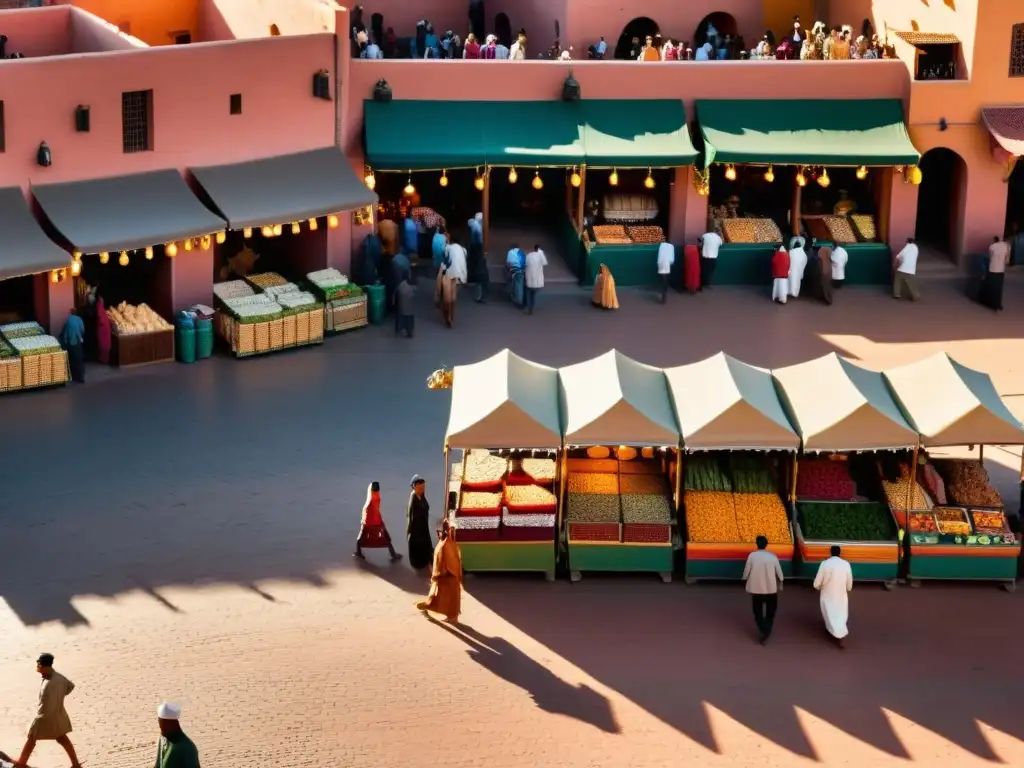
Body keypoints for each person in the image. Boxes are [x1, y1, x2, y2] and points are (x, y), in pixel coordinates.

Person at [16, 653, 81, 768]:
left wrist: (55, 699)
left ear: (44, 666)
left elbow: (46, 703)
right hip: (57, 714)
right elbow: (70, 686)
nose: (37, 666)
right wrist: (59, 696)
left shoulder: (50, 683)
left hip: (44, 716)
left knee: (31, 738)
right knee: (61, 737)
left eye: (39, 664)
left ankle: (21, 764)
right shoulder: (59, 678)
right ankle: (75, 764)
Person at [416, 519, 463, 622]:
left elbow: (444, 563)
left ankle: (426, 609)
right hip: (452, 578)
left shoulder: (444, 546)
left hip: (445, 578)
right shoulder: (450, 543)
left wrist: (437, 575)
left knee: (436, 597)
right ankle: (451, 616)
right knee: (449, 600)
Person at [742, 536, 784, 644]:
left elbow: (747, 570)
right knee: (771, 611)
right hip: (771, 589)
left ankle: (763, 629)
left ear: (757, 544)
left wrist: (744, 579)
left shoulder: (752, 556)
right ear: (766, 544)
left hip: (756, 589)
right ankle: (767, 629)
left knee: (757, 612)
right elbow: (779, 573)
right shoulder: (772, 556)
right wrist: (781, 583)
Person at [813, 545, 853, 648]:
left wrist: (817, 586)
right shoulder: (846, 564)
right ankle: (840, 635)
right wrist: (848, 588)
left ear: (830, 553)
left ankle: (834, 632)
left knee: (829, 612)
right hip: (841, 593)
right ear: (840, 553)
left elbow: (817, 582)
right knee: (840, 614)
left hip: (827, 593)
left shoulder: (825, 564)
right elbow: (849, 582)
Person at [355, 481, 401, 561]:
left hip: (368, 524)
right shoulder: (377, 497)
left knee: (359, 541)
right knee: (387, 539)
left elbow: (367, 513)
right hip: (377, 523)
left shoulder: (370, 500)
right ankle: (393, 555)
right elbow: (376, 512)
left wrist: (363, 521)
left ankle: (359, 553)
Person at [154, 702, 200, 768]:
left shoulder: (186, 747)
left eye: (164, 723)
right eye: (160, 722)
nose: (161, 727)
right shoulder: (162, 738)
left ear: (173, 724)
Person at [407, 475, 433, 571]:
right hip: (416, 528)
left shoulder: (421, 496)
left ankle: (427, 561)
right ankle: (419, 563)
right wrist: (410, 531)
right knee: (418, 546)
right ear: (414, 486)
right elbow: (410, 516)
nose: (422, 489)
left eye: (423, 487)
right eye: (420, 487)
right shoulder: (413, 497)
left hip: (423, 526)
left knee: (426, 544)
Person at [981, 235, 1010, 311]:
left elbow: (990, 257)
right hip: (1001, 270)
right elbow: (1007, 260)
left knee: (992, 287)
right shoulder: (1006, 246)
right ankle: (998, 304)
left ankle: (991, 303)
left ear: (994, 240)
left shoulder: (992, 246)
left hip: (992, 269)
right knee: (999, 288)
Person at [59, 308, 86, 384]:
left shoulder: (68, 320)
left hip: (70, 342)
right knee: (79, 359)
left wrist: (65, 342)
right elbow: (82, 330)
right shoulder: (79, 319)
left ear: (70, 313)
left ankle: (73, 376)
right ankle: (80, 377)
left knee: (71, 359)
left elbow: (65, 332)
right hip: (77, 341)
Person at [467, 213, 487, 302]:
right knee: (481, 279)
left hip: (474, 248)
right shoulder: (477, 226)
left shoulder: (473, 224)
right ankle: (480, 296)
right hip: (477, 247)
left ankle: (479, 295)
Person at [523, 244, 547, 315]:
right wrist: (541, 253)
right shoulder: (540, 256)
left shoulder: (529, 256)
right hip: (536, 281)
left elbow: (525, 264)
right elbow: (545, 262)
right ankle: (531, 307)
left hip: (529, 278)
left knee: (528, 292)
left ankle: (528, 306)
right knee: (532, 294)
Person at [893, 236, 920, 301]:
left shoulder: (907, 247)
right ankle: (915, 296)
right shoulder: (916, 248)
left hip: (903, 268)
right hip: (911, 270)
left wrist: (895, 265)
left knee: (898, 280)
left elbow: (898, 257)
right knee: (912, 284)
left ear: (907, 242)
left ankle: (896, 294)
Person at [395, 273, 415, 338]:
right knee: (409, 321)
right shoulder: (411, 287)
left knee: (403, 320)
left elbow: (397, 293)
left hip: (403, 308)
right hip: (410, 309)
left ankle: (402, 329)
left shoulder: (401, 285)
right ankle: (410, 332)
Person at [94, 295, 111, 365]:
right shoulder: (99, 306)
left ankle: (104, 359)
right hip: (103, 330)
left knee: (104, 345)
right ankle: (104, 360)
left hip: (104, 329)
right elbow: (100, 317)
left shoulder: (100, 307)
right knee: (104, 345)